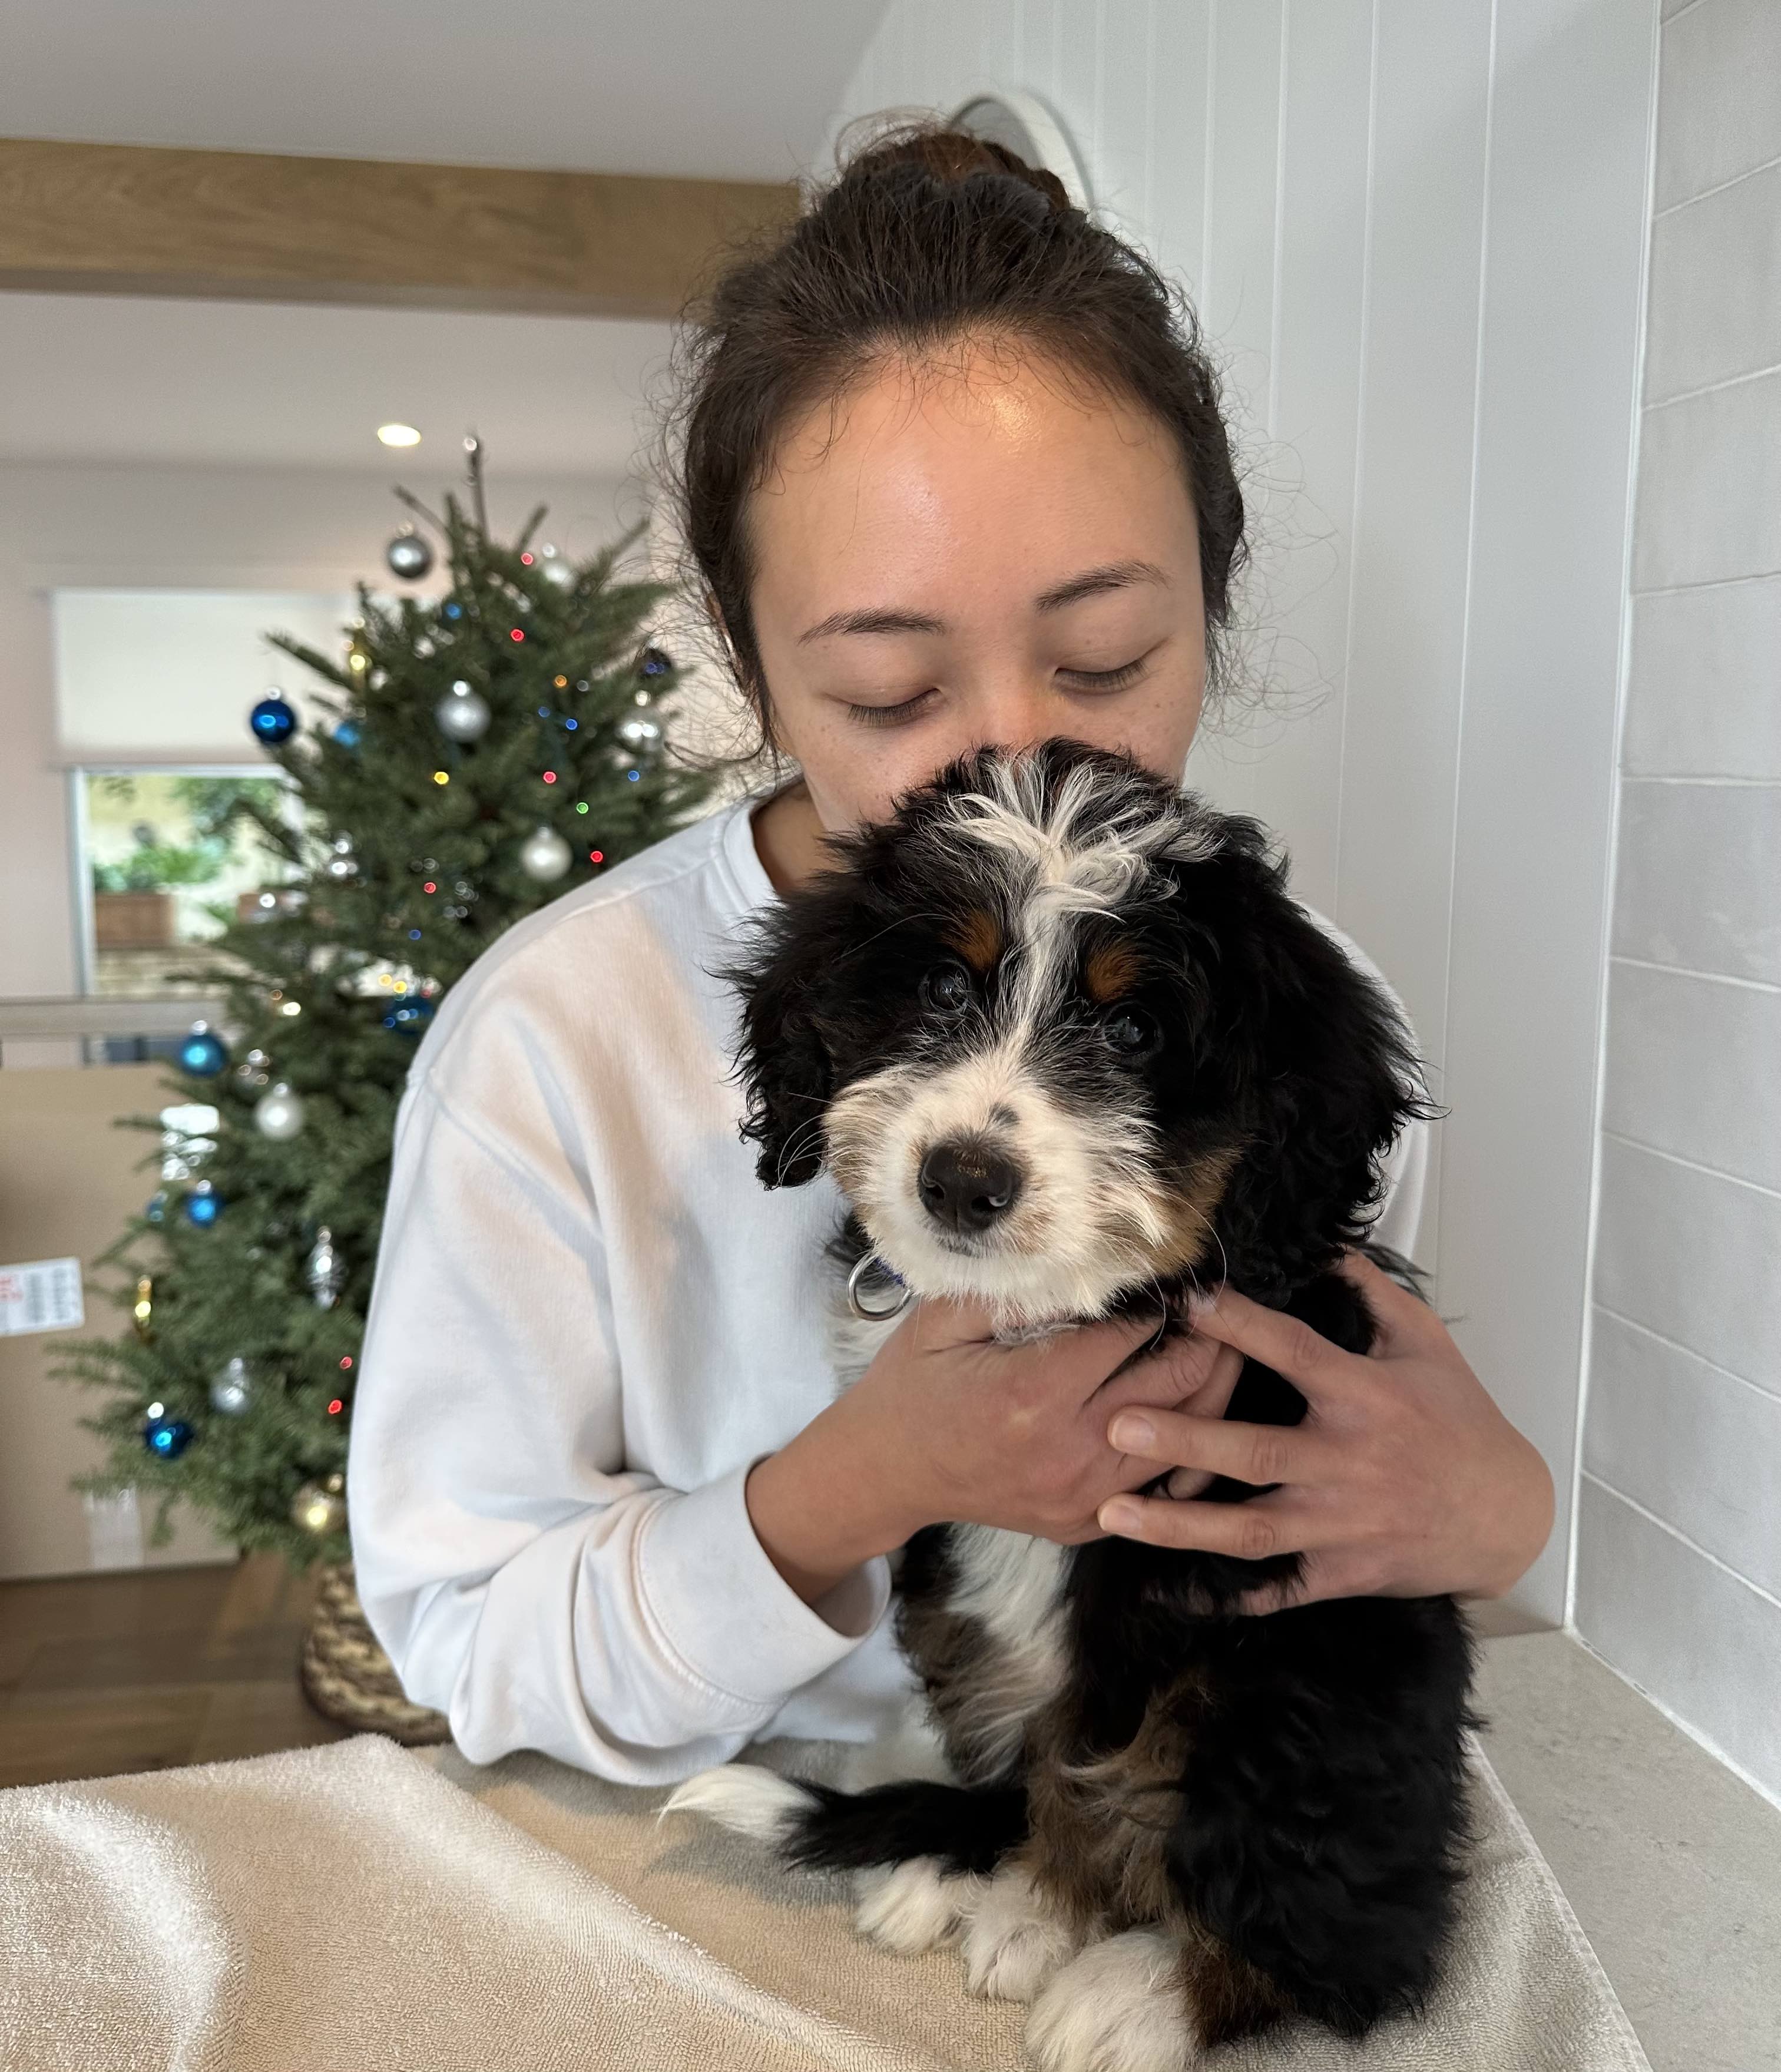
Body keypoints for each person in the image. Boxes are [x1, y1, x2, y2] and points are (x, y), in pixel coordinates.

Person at [348, 124, 1554, 1785]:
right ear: (756, 675)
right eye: (890, 695)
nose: (1008, 753)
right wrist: (863, 1478)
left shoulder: (1293, 1016)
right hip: (709, 1860)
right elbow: (471, 1647)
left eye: (1107, 656)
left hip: (1137, 1842)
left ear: (1215, 607)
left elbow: (1336, 1472)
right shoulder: (553, 1044)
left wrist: (1492, 1516)